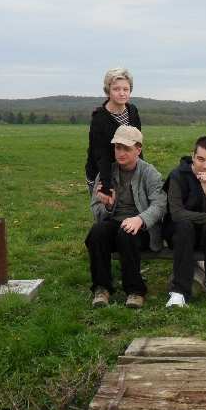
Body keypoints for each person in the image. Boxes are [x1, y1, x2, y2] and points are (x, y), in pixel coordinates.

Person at [85, 126, 166, 308]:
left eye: (126, 148)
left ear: (138, 149)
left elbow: (160, 205)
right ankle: (101, 288)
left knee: (126, 233)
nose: (120, 153)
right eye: (117, 147)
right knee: (97, 232)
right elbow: (96, 209)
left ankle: (135, 291)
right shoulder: (106, 174)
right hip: (114, 223)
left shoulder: (149, 173)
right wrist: (108, 206)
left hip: (142, 229)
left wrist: (140, 219)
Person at [162, 136, 206, 307]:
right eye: (200, 159)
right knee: (185, 226)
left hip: (203, 233)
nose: (205, 166)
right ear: (193, 156)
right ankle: (179, 291)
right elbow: (177, 214)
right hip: (177, 230)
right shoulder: (177, 175)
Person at [85, 68, 142, 197]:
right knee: (105, 209)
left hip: (126, 172)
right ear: (108, 91)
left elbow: (137, 145)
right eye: (116, 89)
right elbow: (101, 154)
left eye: (125, 89)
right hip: (102, 175)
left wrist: (141, 172)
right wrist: (106, 187)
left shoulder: (133, 111)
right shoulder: (99, 118)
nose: (122, 93)